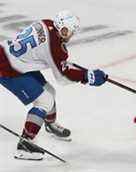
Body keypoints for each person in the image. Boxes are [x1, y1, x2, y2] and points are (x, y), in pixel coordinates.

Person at [0, 10, 108, 160]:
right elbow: (63, 77)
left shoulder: (47, 23)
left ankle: (50, 125)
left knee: (49, 91)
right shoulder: (56, 46)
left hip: (12, 58)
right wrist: (87, 76)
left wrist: (71, 68)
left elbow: (53, 58)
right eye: (67, 31)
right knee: (45, 101)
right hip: (9, 69)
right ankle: (25, 144)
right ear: (61, 27)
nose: (69, 35)